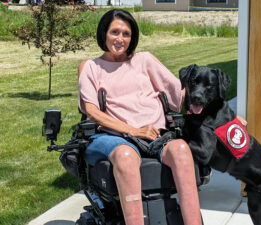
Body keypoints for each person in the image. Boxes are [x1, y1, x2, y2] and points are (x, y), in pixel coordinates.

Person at [78, 9, 203, 225]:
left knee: (182, 149)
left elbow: (178, 95)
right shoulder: (91, 67)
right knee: (126, 156)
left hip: (156, 135)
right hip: (113, 137)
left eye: (126, 34)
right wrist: (133, 130)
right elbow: (92, 111)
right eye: (114, 32)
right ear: (104, 33)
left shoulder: (145, 60)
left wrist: (216, 105)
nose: (120, 39)